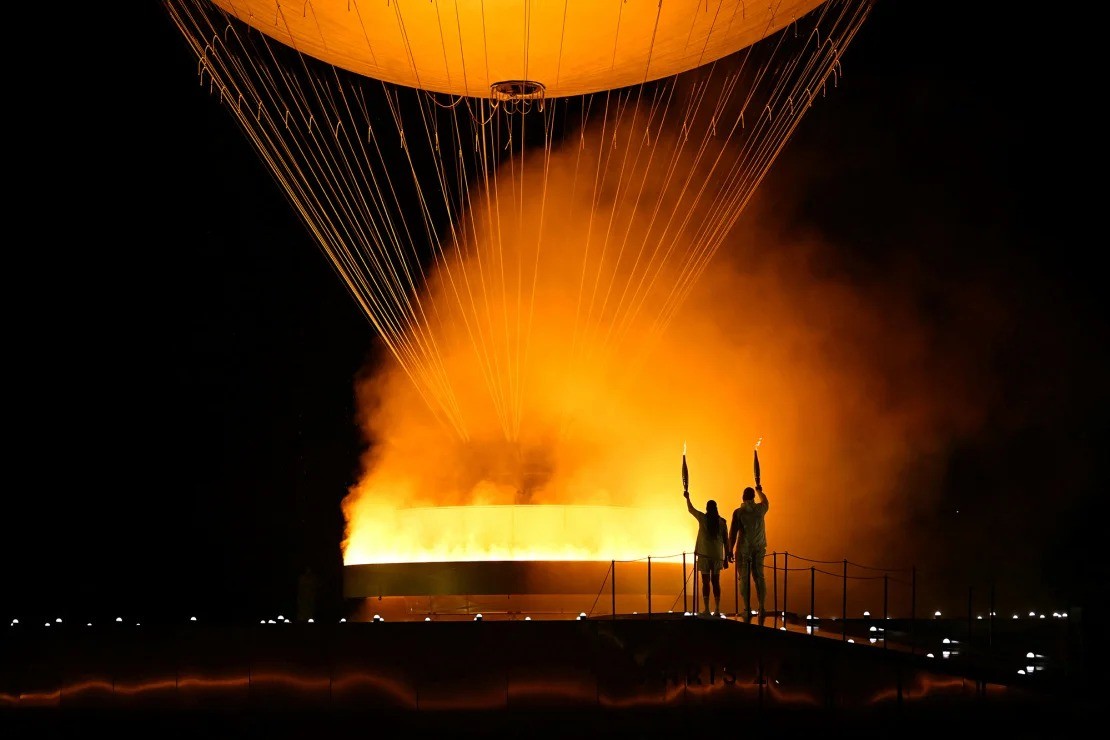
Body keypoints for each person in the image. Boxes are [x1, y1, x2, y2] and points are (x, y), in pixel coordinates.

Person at [729, 484, 770, 624]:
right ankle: (762, 607)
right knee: (759, 577)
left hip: (744, 549)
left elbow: (733, 532)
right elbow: (765, 500)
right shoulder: (760, 509)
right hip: (759, 547)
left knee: (744, 579)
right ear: (753, 497)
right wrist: (760, 490)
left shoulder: (739, 512)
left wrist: (729, 550)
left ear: (743, 497)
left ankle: (747, 608)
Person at [684, 490, 729, 616]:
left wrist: (687, 497)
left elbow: (691, 509)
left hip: (704, 555)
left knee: (705, 582)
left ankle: (707, 609)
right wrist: (726, 557)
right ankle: (718, 609)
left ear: (707, 509)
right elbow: (726, 540)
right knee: (716, 582)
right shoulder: (722, 522)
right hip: (717, 556)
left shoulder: (703, 518)